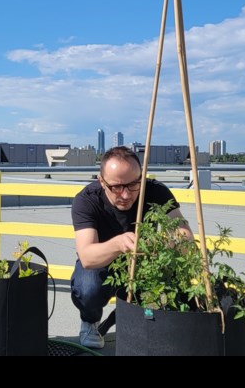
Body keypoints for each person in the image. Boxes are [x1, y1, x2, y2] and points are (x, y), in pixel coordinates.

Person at [70, 145, 195, 348]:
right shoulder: (86, 201)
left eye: (133, 185)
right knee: (88, 286)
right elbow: (87, 256)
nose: (126, 195)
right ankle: (90, 321)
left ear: (142, 178)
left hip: (145, 260)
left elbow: (185, 236)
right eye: (116, 187)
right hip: (102, 262)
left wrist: (160, 244)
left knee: (170, 279)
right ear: (101, 181)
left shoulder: (156, 191)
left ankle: (150, 322)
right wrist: (119, 243)